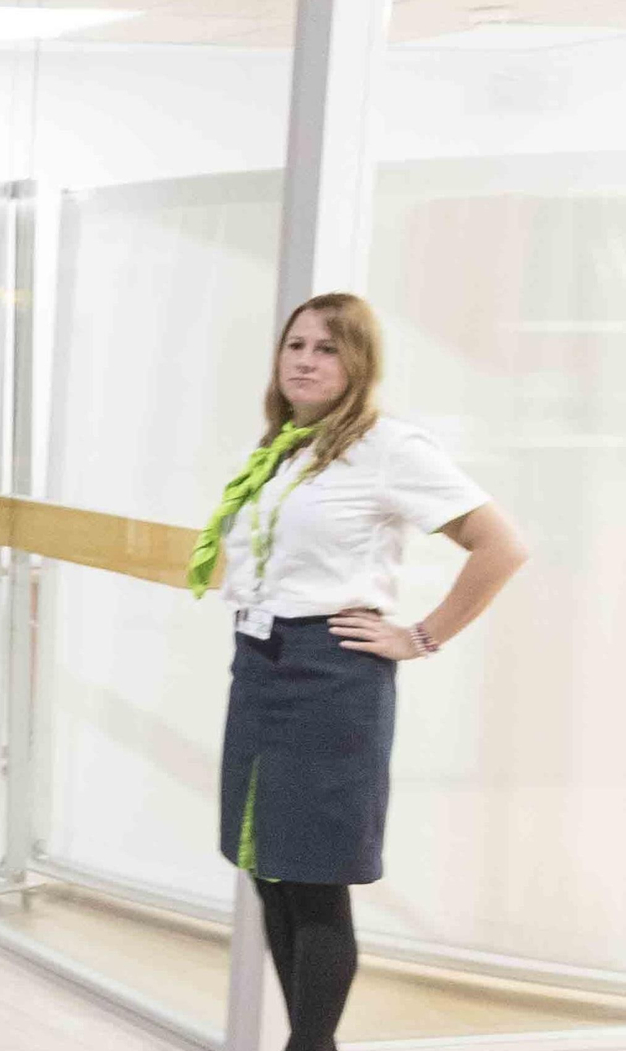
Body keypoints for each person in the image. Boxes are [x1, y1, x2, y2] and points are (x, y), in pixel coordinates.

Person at [187, 293, 529, 1051]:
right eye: (296, 344)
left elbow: (501, 544)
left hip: (330, 677)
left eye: (328, 349)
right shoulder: (285, 445)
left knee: (315, 877)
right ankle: (315, 1043)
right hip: (261, 666)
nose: (306, 360)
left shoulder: (388, 446)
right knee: (267, 867)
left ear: (359, 364)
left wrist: (422, 635)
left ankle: (308, 1045)